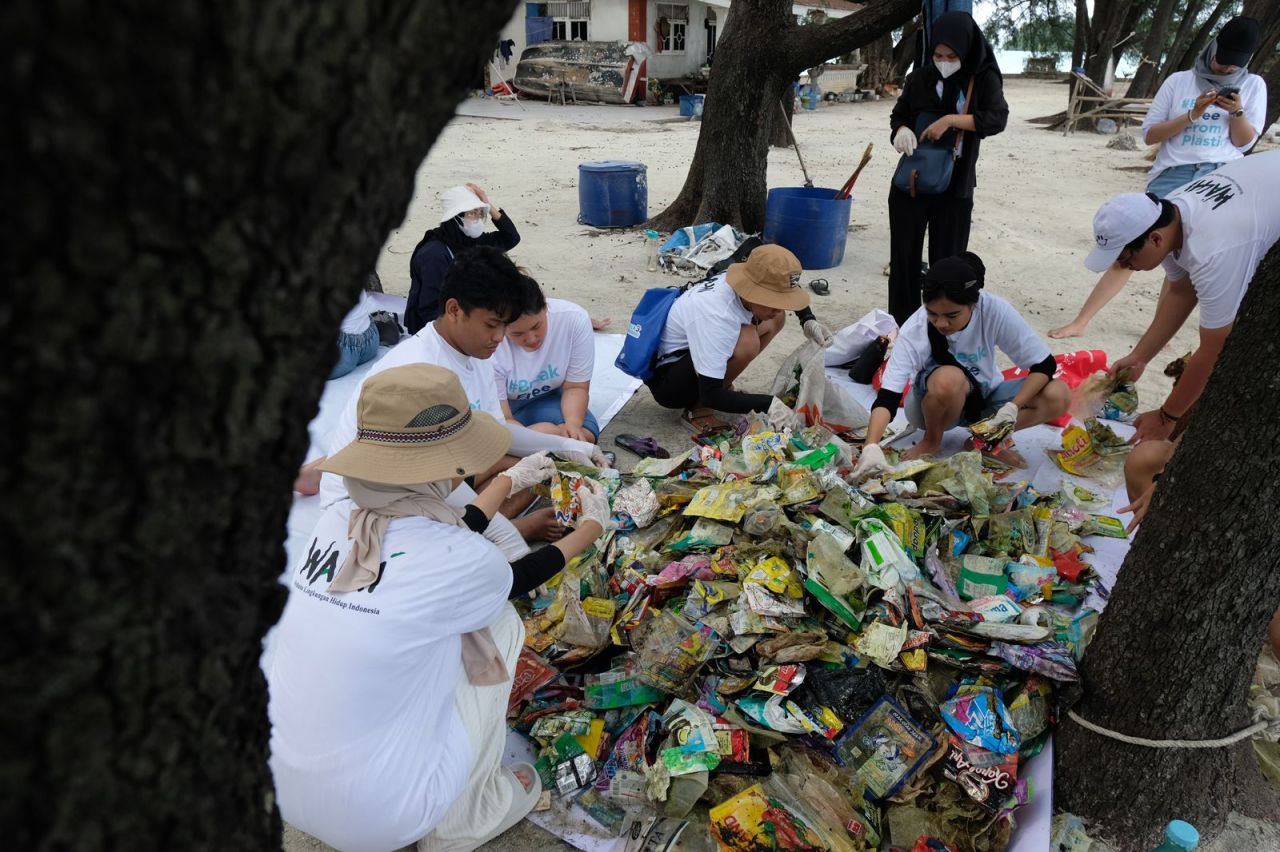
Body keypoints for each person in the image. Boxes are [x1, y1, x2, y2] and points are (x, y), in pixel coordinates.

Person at [268, 364, 610, 852]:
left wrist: (507, 483)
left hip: (281, 782)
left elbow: (438, 536)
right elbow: (509, 577)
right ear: (443, 464)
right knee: (499, 624)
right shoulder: (457, 559)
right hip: (383, 821)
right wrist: (590, 528)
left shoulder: (338, 518)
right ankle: (464, 820)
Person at [320, 247, 608, 543]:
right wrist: (507, 536)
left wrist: (566, 447)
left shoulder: (477, 355)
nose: (499, 337)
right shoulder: (419, 372)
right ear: (454, 310)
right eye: (491, 325)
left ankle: (484, 534)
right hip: (369, 507)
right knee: (514, 481)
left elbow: (498, 432)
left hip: (432, 478)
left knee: (531, 470)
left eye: (505, 326)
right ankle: (494, 536)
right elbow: (427, 481)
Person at [1050, 16, 1266, 339]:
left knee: (1184, 261)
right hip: (1172, 175)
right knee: (1133, 247)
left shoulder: (1253, 86)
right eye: (1222, 61)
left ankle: (1158, 331)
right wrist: (1191, 115)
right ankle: (1081, 322)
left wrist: (1236, 112)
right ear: (1214, 46)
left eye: (1233, 66)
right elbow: (1150, 134)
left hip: (1218, 180)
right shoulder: (1179, 81)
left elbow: (1244, 142)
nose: (1224, 70)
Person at [1084, 149, 1280, 451]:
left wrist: (1166, 416)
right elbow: (1181, 290)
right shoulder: (1170, 212)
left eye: (1124, 258)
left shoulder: (1212, 249)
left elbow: (1216, 346)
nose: (1121, 268)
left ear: (1155, 240)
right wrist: (1140, 357)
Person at [853, 252, 1069, 473]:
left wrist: (1012, 408)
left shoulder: (995, 310)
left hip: (985, 397)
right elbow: (888, 397)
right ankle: (932, 439)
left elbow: (1044, 365)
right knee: (949, 378)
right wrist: (871, 445)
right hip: (933, 406)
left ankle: (984, 441)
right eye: (932, 314)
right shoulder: (915, 328)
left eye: (952, 315)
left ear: (973, 304)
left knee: (1058, 394)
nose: (941, 323)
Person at [887, 11, 1007, 326]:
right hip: (911, 182)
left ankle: (944, 327)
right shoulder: (920, 77)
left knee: (947, 264)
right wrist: (901, 131)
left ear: (966, 51)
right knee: (904, 260)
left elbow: (996, 118)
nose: (943, 61)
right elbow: (899, 115)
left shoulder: (982, 79)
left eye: (951, 56)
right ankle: (902, 324)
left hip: (954, 186)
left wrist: (952, 121)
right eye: (938, 55)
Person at [646, 244, 832, 432]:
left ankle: (720, 381)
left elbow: (781, 284)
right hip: (669, 382)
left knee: (776, 319)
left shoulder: (744, 275)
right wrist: (768, 404)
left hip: (692, 354)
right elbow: (711, 394)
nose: (779, 307)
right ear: (752, 291)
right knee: (747, 341)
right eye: (773, 300)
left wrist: (807, 319)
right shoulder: (717, 315)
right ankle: (698, 409)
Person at [407, 183, 520, 334]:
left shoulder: (472, 241)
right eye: (472, 213)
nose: (478, 219)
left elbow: (511, 238)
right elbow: (430, 310)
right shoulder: (434, 255)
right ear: (455, 217)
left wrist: (488, 204)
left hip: (465, 314)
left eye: (480, 214)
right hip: (436, 329)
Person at [494, 286, 601, 442]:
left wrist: (572, 425)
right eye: (517, 333)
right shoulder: (491, 341)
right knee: (538, 436)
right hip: (505, 407)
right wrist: (551, 435)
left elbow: (576, 386)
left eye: (536, 326)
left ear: (545, 307)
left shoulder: (573, 319)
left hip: (547, 398)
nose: (531, 339)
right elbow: (503, 418)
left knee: (585, 435)